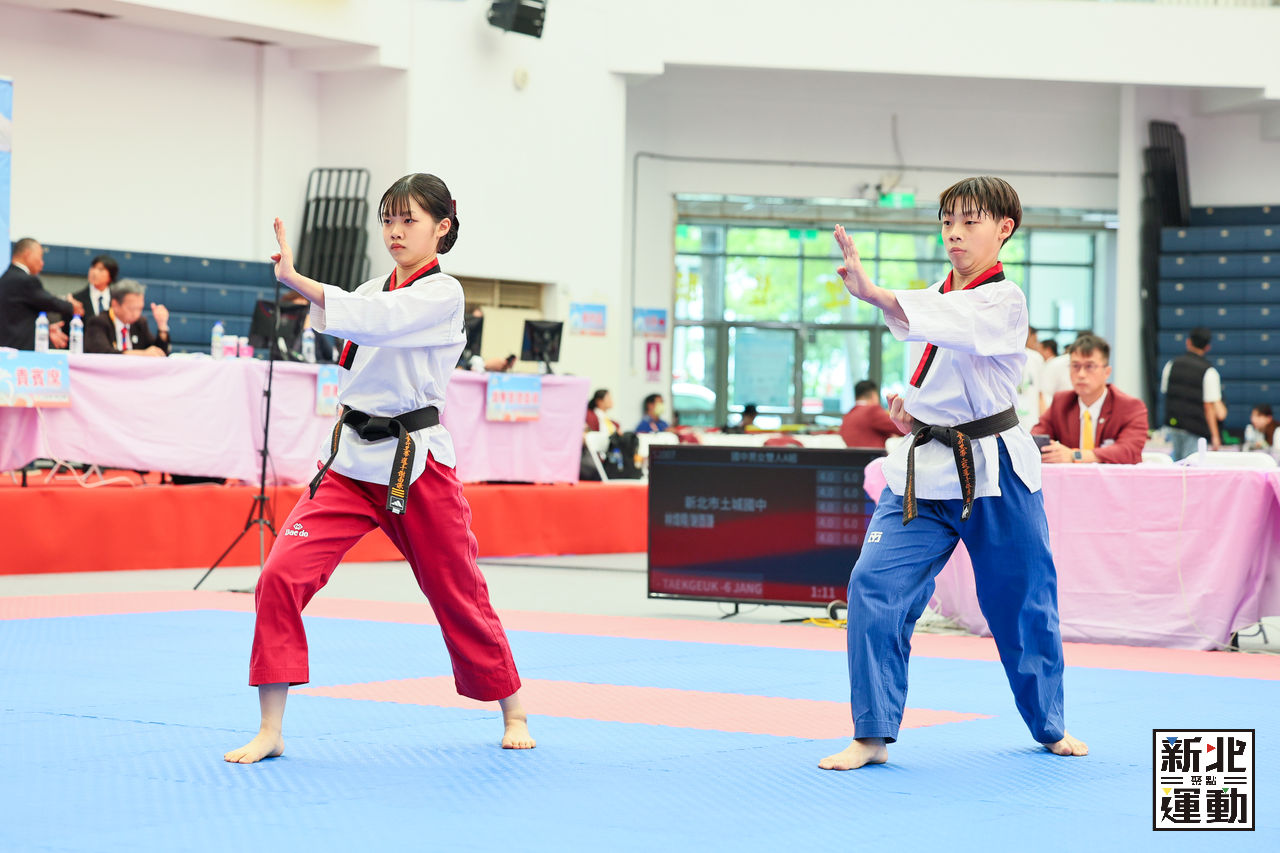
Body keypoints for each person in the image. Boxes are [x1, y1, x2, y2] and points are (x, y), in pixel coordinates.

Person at [223, 172, 533, 764]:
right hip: (348, 462)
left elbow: (377, 320)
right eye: (388, 219)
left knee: (456, 591)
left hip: (415, 464)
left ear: (441, 228)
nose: (395, 231)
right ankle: (270, 728)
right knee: (279, 576)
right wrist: (303, 288)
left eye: (409, 220)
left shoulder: (444, 294)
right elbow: (355, 316)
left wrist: (296, 280)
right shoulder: (370, 289)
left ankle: (512, 706)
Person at [819, 176, 1087, 772]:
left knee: (1022, 604)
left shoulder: (1004, 299)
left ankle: (1049, 724)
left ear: (1004, 229)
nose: (955, 234)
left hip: (996, 472)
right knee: (873, 585)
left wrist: (875, 293)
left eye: (970, 222)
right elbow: (937, 343)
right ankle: (871, 732)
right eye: (947, 222)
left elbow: (948, 322)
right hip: (924, 469)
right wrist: (913, 410)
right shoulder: (937, 296)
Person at [1032, 334, 1149, 464]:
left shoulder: (1131, 407)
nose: (1081, 374)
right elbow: (1036, 437)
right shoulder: (1062, 402)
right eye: (1075, 366)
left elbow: (1128, 451)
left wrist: (1075, 455)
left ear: (1107, 372)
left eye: (1089, 366)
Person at [0, 238, 82, 350]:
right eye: (40, 257)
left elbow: (20, 317)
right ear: (27, 254)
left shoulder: (5, 278)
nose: (42, 263)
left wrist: (45, 329)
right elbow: (49, 301)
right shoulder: (25, 280)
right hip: (22, 350)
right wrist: (71, 306)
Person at [1160, 327, 1225, 459]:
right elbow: (1208, 407)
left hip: (1173, 426)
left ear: (1188, 342)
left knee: (1175, 465)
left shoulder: (1171, 365)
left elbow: (1166, 393)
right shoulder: (1209, 372)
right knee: (1190, 466)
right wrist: (1215, 436)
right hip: (1195, 429)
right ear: (1207, 347)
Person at [83, 279, 171, 356]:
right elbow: (102, 352)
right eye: (131, 309)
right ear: (115, 304)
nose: (136, 314)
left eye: (140, 308)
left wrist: (162, 326)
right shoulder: (99, 322)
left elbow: (159, 353)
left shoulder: (140, 323)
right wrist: (141, 354)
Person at [839, 380, 899, 448]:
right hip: (875, 454)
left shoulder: (847, 416)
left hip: (852, 454)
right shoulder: (872, 410)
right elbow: (902, 427)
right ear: (874, 395)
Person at [70, 254, 119, 323]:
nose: (94, 272)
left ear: (111, 275)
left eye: (100, 269)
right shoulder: (76, 300)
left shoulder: (118, 299)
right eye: (93, 267)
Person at [1016, 326, 1044, 430]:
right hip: (1009, 423)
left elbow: (1041, 394)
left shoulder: (1036, 358)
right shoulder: (1001, 357)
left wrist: (1043, 422)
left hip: (1032, 421)